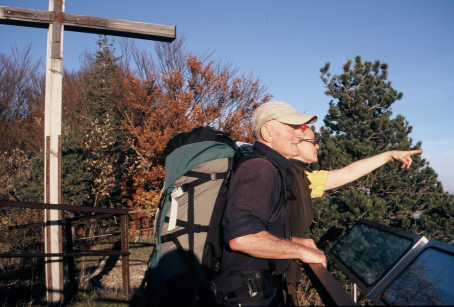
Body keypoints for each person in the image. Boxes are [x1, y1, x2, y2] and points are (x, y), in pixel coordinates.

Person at [285, 123, 422, 303]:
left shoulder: (304, 179)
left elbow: (348, 172)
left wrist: (388, 156)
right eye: (313, 141)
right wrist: (295, 243)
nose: (318, 146)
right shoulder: (281, 178)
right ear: (297, 142)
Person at [215, 101, 326, 306]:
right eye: (292, 128)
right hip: (250, 294)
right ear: (267, 132)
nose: (300, 135)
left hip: (256, 290)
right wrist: (301, 251)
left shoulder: (270, 168)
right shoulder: (260, 169)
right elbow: (243, 237)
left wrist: (294, 241)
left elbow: (258, 228)